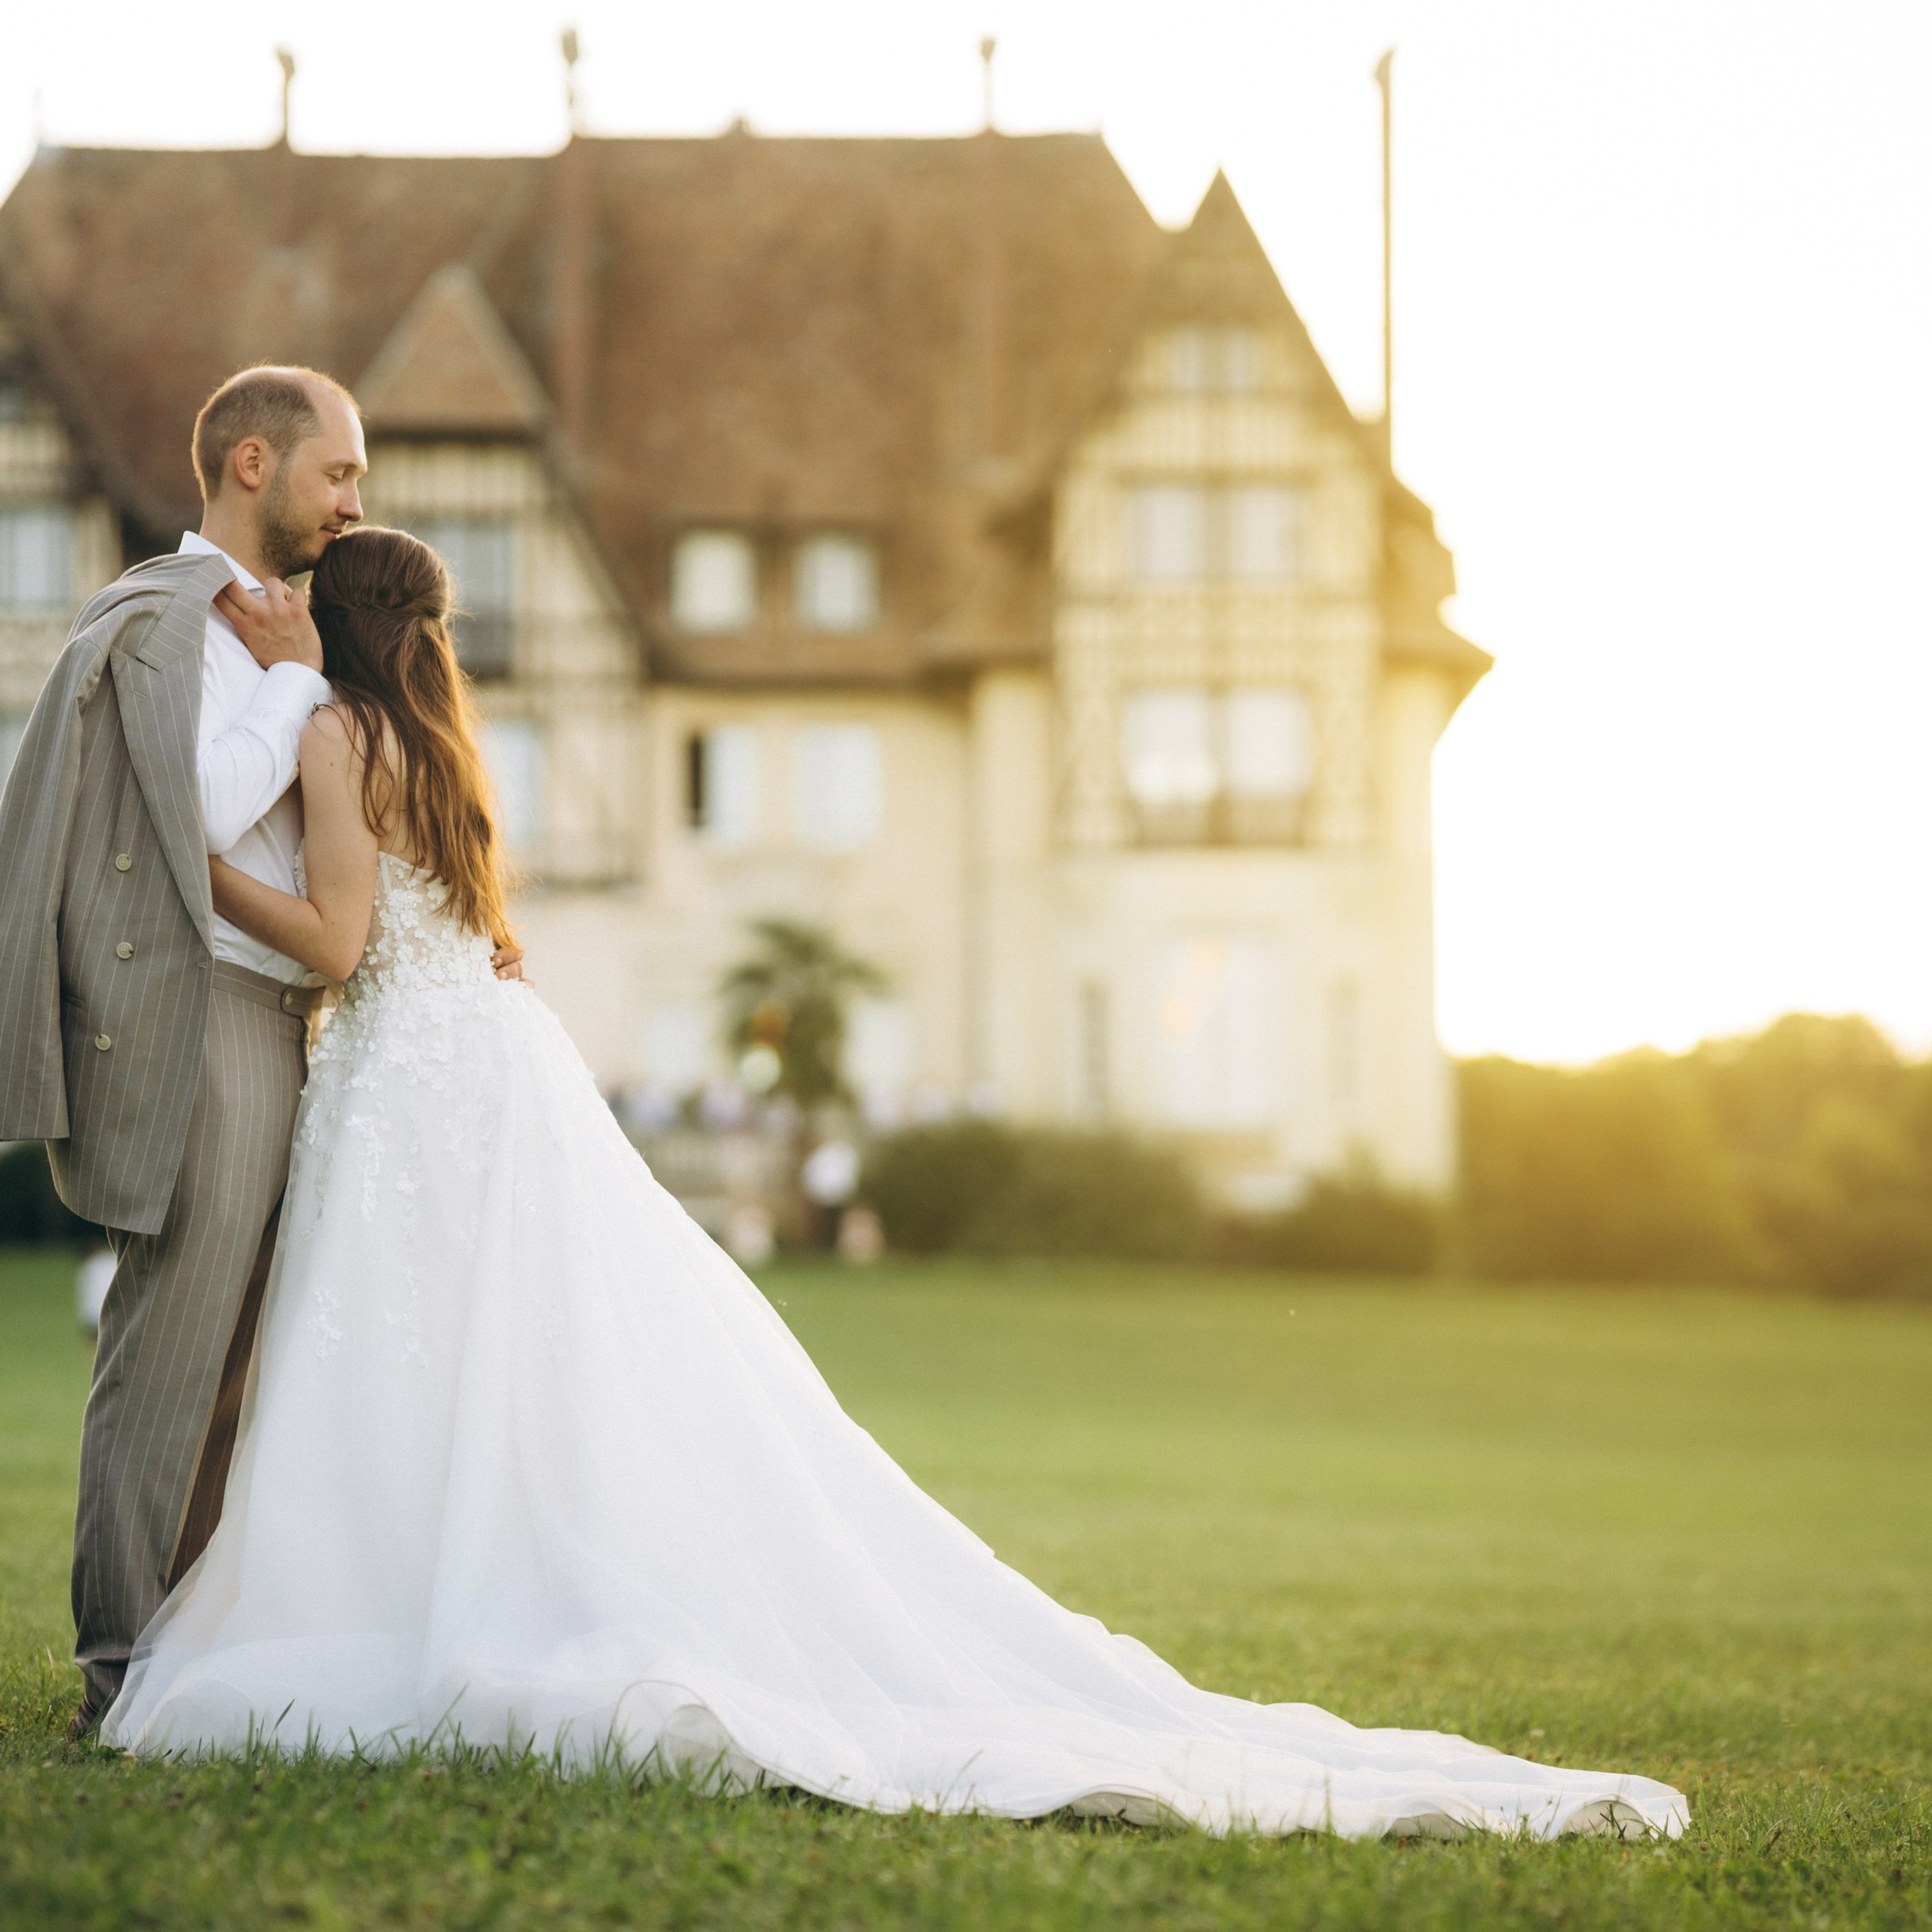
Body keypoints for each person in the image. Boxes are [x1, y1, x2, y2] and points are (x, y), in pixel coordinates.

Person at [100, 525, 1687, 1840]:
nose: (285, 610)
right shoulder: (444, 741)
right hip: (496, 1065)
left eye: (306, 597)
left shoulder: (330, 729)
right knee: (520, 1349)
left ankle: (404, 1587)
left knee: (402, 1348)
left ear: (343, 619)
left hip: (411, 1077)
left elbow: (331, 940)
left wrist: (190, 853)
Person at [0, 367, 521, 1740]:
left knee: (254, 1360)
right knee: (170, 1355)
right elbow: (197, 811)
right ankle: (122, 1666)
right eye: (337, 474)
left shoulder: (276, 635)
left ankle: (209, 1634)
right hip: (208, 1024)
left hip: (297, 1026)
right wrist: (292, 689)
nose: (356, 502)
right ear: (250, 464)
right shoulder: (178, 624)